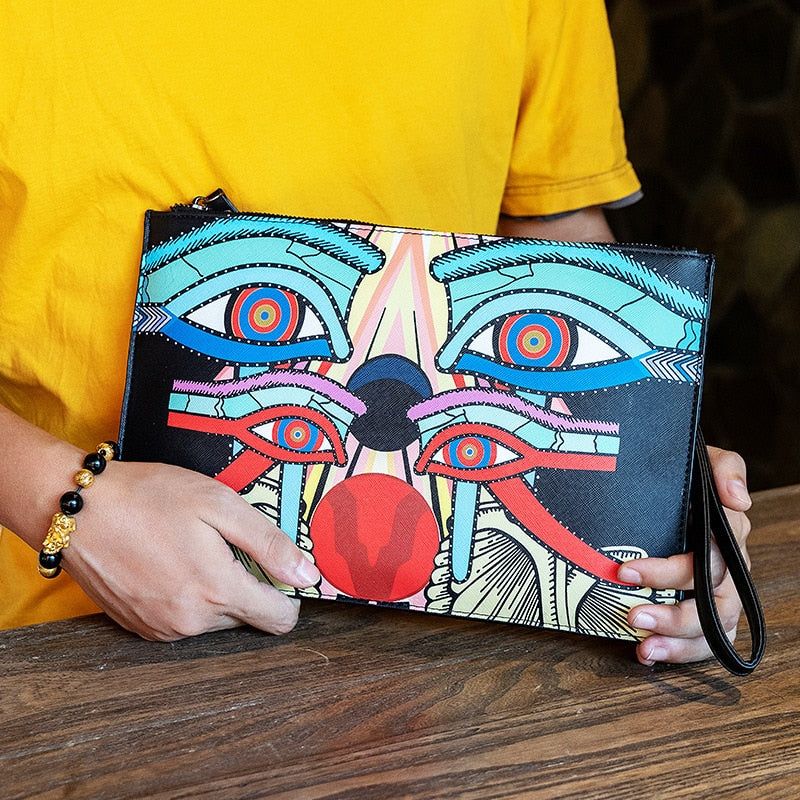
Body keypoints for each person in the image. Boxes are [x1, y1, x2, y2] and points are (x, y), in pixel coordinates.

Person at [0, 1, 752, 665]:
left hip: (465, 651)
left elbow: (555, 238)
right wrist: (62, 506)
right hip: (58, 642)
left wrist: (662, 485)